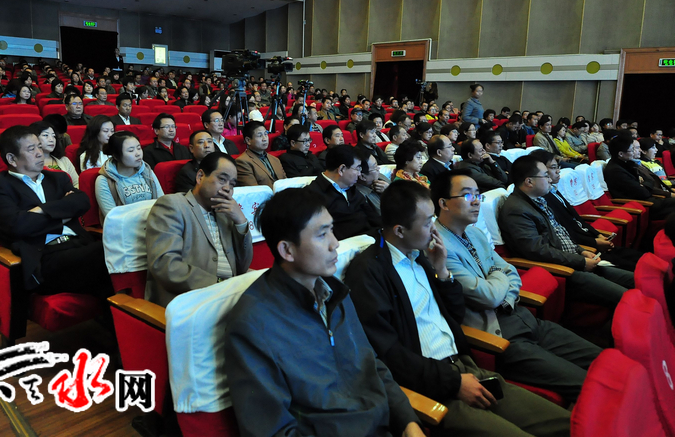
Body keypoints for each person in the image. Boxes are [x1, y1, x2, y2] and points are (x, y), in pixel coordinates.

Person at [345, 180, 572, 437]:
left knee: (567, 424)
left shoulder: (420, 256)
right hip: (433, 387)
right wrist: (453, 383)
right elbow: (389, 353)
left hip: (465, 367)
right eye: (427, 222)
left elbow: (455, 314)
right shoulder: (369, 272)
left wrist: (441, 271)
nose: (434, 229)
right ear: (399, 230)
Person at [225, 188, 424, 437]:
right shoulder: (252, 324)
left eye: (331, 229)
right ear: (287, 250)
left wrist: (407, 421)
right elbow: (272, 430)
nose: (335, 243)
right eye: (322, 235)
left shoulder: (335, 292)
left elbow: (371, 364)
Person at [432, 170, 601, 403]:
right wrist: (499, 276)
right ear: (443, 203)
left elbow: (511, 272)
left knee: (603, 360)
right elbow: (487, 296)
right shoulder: (439, 248)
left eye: (478, 195)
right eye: (467, 195)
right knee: (590, 384)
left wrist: (499, 281)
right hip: (500, 335)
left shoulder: (475, 233)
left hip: (524, 317)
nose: (476, 201)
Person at [0, 126, 111, 297]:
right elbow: (18, 226)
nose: (39, 153)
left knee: (118, 249)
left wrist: (41, 210)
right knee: (109, 253)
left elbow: (82, 202)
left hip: (80, 244)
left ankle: (120, 310)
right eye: (31, 149)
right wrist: (63, 213)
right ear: (12, 158)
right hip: (46, 257)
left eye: (39, 147)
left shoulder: (57, 178)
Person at [499, 156, 634, 308]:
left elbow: (560, 233)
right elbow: (537, 251)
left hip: (574, 259)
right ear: (529, 181)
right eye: (545, 175)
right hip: (563, 270)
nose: (550, 179)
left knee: (635, 280)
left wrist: (581, 251)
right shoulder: (517, 210)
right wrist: (580, 261)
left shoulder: (538, 200)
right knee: (627, 298)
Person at [146, 152, 253, 307]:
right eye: (222, 179)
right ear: (200, 176)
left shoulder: (225, 213)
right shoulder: (172, 205)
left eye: (232, 184)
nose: (227, 189)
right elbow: (165, 265)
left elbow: (242, 267)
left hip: (227, 296)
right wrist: (220, 285)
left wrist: (241, 221)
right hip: (190, 301)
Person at [529, 150, 641, 271]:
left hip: (589, 240)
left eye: (558, 167)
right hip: (584, 249)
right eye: (553, 168)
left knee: (638, 257)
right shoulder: (543, 200)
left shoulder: (553, 191)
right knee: (633, 269)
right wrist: (595, 242)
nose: (558, 171)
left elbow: (577, 219)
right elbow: (566, 231)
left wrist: (598, 235)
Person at [306, 145, 380, 240]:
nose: (359, 173)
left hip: (373, 240)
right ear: (342, 169)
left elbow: (374, 218)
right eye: (357, 168)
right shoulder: (312, 195)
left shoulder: (352, 189)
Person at [95, 131, 163, 223]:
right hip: (125, 228)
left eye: (139, 148)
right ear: (116, 156)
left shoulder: (147, 172)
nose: (138, 154)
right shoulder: (104, 181)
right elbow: (112, 217)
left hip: (154, 224)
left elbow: (162, 202)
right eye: (131, 150)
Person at [605, 135, 675, 220]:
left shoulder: (627, 163)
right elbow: (643, 192)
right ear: (621, 154)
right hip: (640, 205)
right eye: (632, 150)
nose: (635, 152)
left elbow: (650, 180)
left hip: (647, 200)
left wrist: (644, 184)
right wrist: (643, 183)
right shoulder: (616, 170)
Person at [235, 121, 286, 189]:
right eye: (260, 135)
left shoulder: (275, 159)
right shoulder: (242, 162)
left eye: (265, 134)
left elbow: (286, 183)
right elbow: (254, 190)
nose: (264, 139)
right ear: (248, 140)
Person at [28, 121, 79, 188]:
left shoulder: (64, 160)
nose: (51, 140)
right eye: (46, 135)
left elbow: (77, 183)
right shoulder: (27, 162)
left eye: (53, 136)